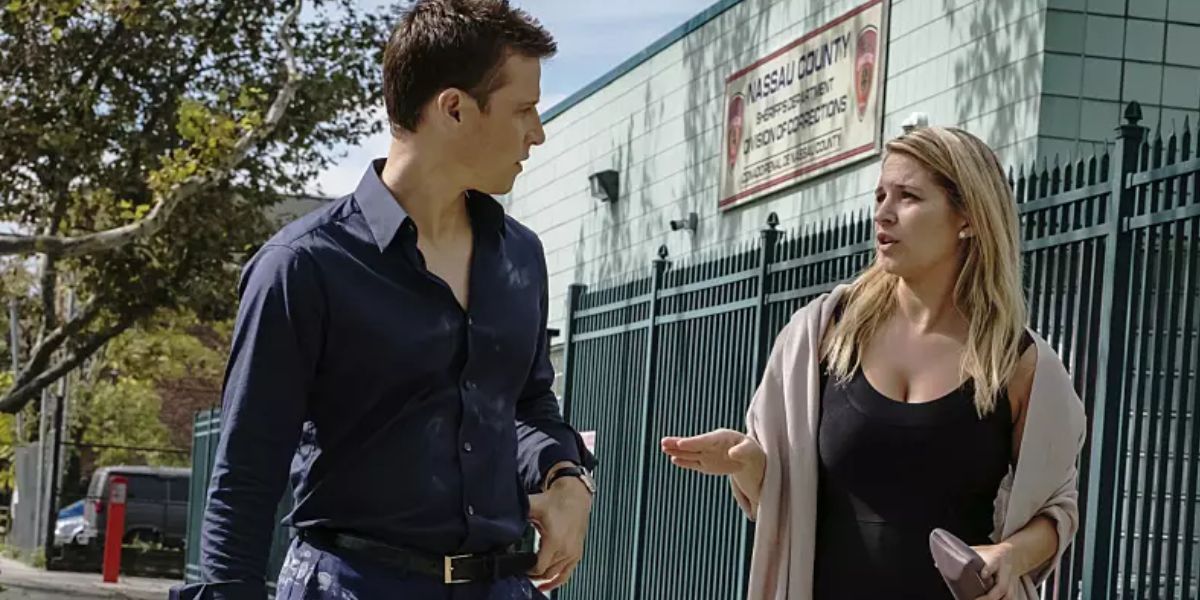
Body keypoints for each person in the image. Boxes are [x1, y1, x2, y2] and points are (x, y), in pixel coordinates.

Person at [173, 1, 596, 598]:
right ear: (453, 108)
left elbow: (525, 401)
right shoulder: (302, 266)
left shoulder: (518, 256)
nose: (538, 131)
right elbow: (245, 476)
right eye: (523, 109)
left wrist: (565, 477)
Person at [661, 126, 1086, 600]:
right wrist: (750, 462)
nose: (883, 213)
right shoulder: (823, 334)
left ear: (967, 216)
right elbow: (780, 498)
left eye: (908, 197)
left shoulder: (1018, 361)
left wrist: (1009, 556)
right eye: (880, 194)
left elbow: (1057, 511)